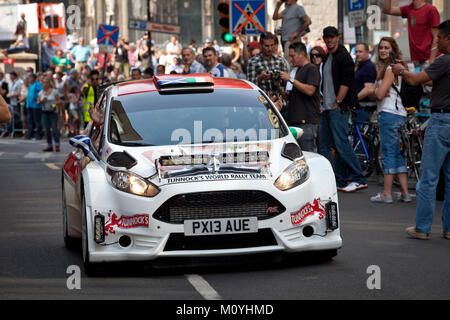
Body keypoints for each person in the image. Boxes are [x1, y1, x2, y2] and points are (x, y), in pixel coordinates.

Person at [391, 20, 450, 240]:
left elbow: (416, 80)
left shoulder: (445, 61)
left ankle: (422, 228)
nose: (437, 42)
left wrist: (401, 70)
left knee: (428, 178)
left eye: (440, 38)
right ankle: (449, 228)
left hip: (441, 120)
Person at [319, 26, 367, 193]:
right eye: (327, 38)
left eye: (332, 37)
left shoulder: (343, 56)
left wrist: (338, 102)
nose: (330, 40)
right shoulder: (327, 57)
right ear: (324, 39)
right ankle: (336, 179)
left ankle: (359, 178)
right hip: (326, 108)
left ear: (337, 38)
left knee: (341, 144)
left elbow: (346, 82)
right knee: (324, 145)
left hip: (338, 108)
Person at [366, 37, 411, 204]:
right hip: (399, 114)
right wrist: (377, 90)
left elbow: (378, 94)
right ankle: (405, 193)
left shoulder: (390, 69)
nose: (383, 50)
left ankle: (386, 193)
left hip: (389, 114)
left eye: (386, 47)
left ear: (393, 49)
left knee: (387, 153)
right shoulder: (393, 68)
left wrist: (374, 90)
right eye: (381, 48)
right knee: (396, 153)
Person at [280, 41, 321, 152]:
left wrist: (290, 79)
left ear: (302, 54)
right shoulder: (295, 71)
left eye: (293, 56)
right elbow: (290, 97)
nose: (291, 59)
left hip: (306, 122)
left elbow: (310, 90)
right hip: (294, 121)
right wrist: (279, 86)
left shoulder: (311, 68)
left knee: (309, 154)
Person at [382, 0, 440, 66]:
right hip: (417, 60)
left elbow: (436, 37)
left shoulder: (431, 9)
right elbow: (386, 10)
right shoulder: (409, 9)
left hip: (429, 59)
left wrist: (431, 60)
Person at [247, 32, 289, 96]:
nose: (270, 48)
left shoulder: (280, 60)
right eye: (266, 46)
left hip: (278, 101)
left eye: (272, 45)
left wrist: (280, 80)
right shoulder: (253, 62)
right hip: (261, 101)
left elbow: (287, 86)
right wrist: (260, 78)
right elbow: (249, 87)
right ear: (260, 45)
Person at [355, 43, 377, 121]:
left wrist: (354, 100)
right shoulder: (361, 65)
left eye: (360, 52)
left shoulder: (368, 66)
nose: (357, 54)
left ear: (367, 52)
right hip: (360, 107)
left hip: (365, 108)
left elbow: (368, 89)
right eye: (356, 51)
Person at [38, 76, 61, 152]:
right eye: (44, 82)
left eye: (47, 82)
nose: (45, 84)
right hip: (45, 112)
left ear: (49, 83)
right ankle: (49, 145)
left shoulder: (54, 91)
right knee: (47, 130)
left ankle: (57, 145)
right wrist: (41, 101)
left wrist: (54, 103)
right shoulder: (40, 92)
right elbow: (38, 103)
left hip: (53, 112)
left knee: (54, 128)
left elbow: (59, 101)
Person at [25, 74, 43, 140]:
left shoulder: (38, 84)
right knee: (30, 120)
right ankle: (30, 134)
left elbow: (41, 93)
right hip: (29, 105)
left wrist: (38, 100)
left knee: (37, 121)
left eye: (30, 77)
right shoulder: (30, 85)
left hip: (36, 105)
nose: (29, 79)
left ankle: (39, 134)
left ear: (34, 78)